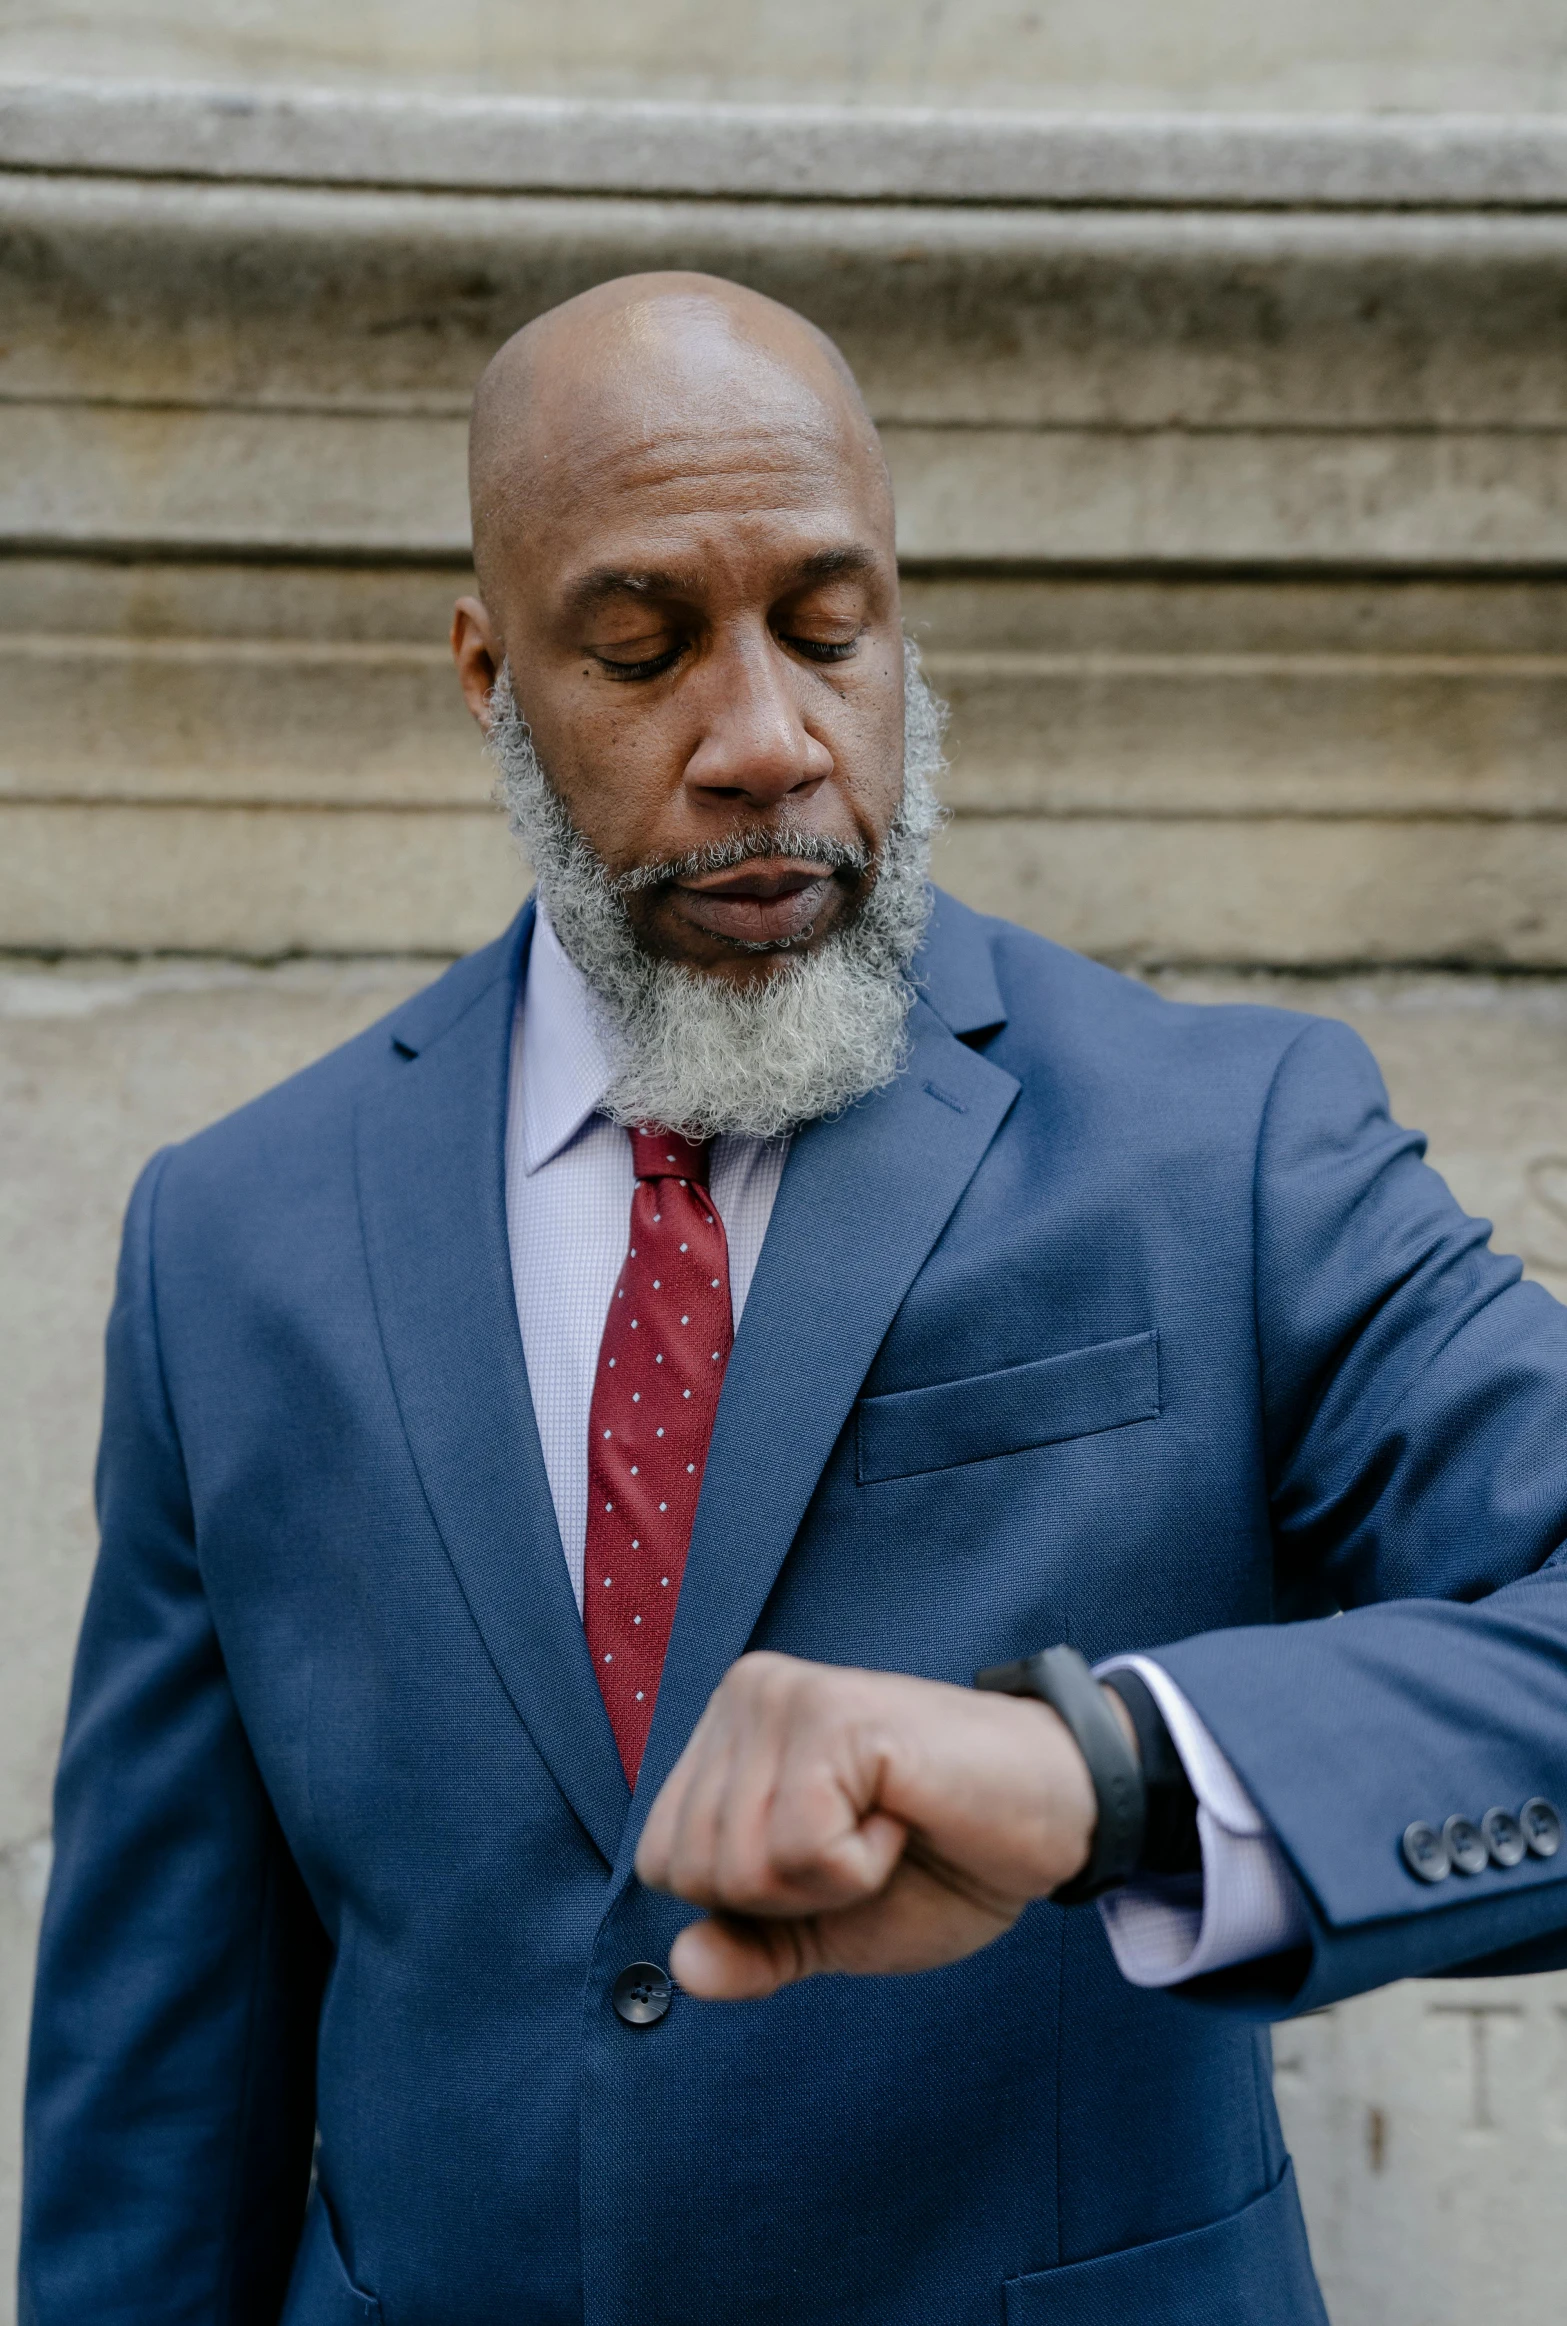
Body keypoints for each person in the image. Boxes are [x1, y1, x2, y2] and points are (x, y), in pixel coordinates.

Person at [20, 271, 1567, 2326]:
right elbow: (156, 2094)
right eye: (644, 648)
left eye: (831, 630)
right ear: (490, 675)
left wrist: (1110, 1773)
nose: (767, 738)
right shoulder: (230, 1238)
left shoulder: (1236, 1146)